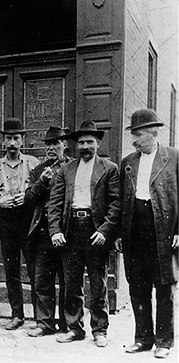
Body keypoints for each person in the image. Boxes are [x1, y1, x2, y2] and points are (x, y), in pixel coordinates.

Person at [48, 120, 120, 348]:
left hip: (95, 229)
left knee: (98, 283)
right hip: (71, 230)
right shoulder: (66, 170)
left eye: (90, 141)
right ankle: (74, 328)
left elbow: (116, 204)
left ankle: (100, 330)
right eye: (81, 142)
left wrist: (105, 230)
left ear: (98, 143)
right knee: (71, 283)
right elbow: (54, 203)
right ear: (75, 146)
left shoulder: (109, 169)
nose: (85, 146)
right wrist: (55, 230)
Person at [114, 109, 178, 359]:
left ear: (154, 133)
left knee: (164, 287)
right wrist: (120, 233)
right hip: (135, 230)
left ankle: (164, 341)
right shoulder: (128, 162)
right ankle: (142, 339)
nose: (134, 140)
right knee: (137, 286)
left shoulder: (173, 158)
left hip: (163, 230)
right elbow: (120, 200)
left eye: (138, 134)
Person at [0, 118, 39, 330]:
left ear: (22, 140)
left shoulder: (33, 163)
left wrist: (27, 198)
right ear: (3, 141)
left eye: (16, 138)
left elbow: (40, 192)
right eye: (8, 138)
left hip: (28, 221)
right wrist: (1, 202)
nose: (12, 143)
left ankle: (40, 315)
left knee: (35, 269)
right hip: (6, 220)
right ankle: (17, 315)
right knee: (11, 269)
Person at [24, 126, 71, 337]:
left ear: (65, 145)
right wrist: (42, 181)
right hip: (43, 233)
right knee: (42, 280)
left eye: (56, 143)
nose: (52, 148)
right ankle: (45, 323)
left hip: (67, 231)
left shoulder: (73, 167)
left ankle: (68, 324)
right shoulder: (38, 170)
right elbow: (28, 199)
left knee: (68, 280)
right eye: (49, 144)